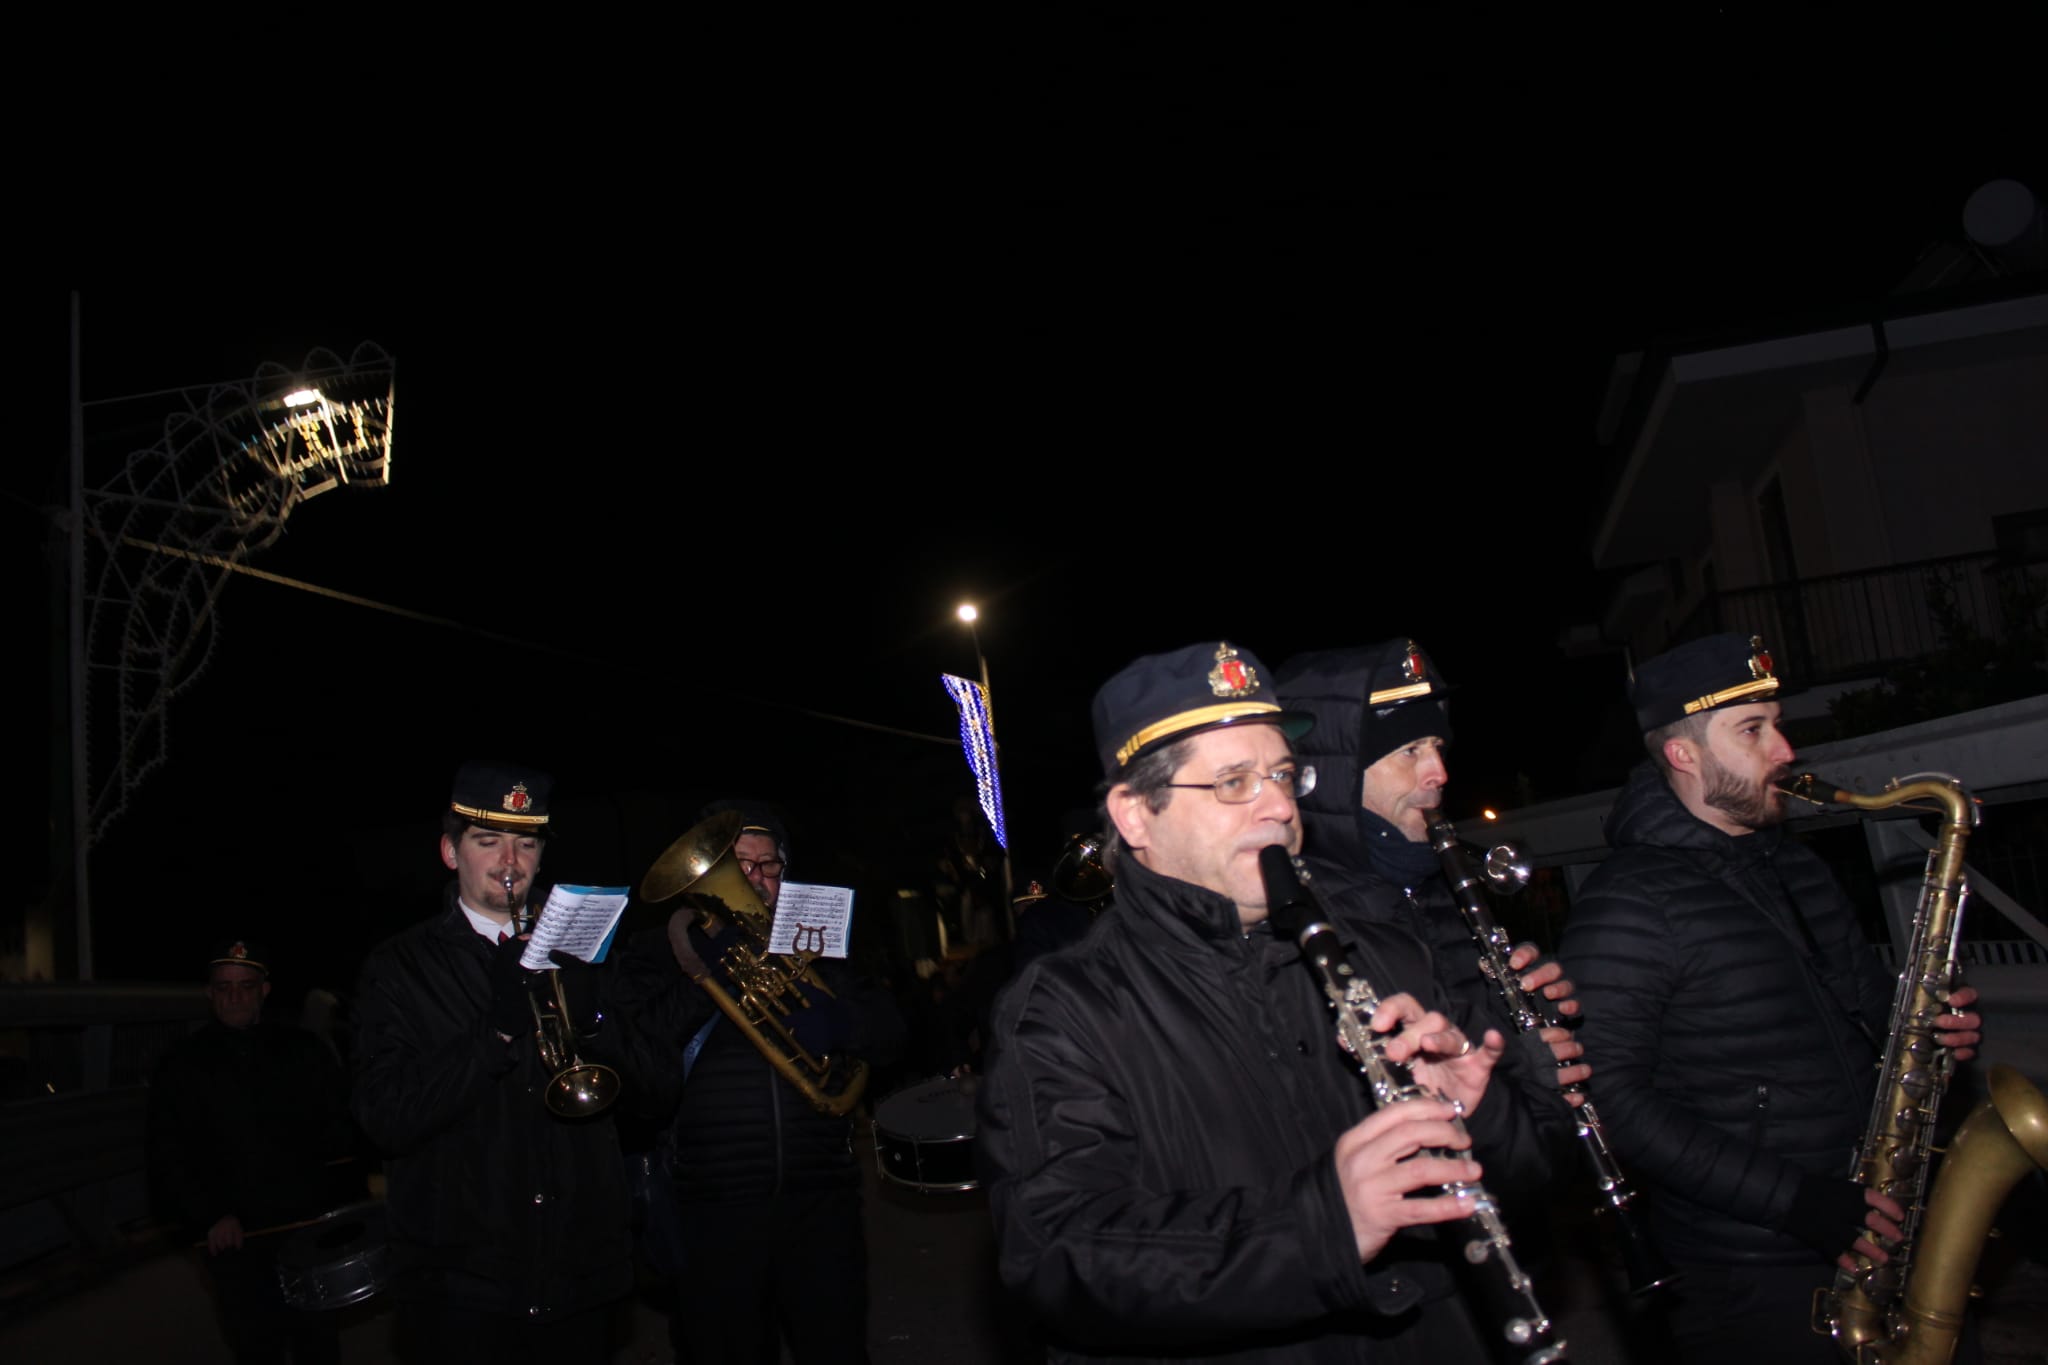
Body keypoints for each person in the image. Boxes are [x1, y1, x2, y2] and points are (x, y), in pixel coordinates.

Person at [979, 640, 1555, 1362]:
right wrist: (1322, 1229)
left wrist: (1486, 1117)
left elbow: (1533, 1183)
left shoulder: (1380, 940)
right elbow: (1058, 1255)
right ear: (1135, 815)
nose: (1281, 806)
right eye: (1233, 782)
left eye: (1283, 774)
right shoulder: (1063, 1010)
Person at [1559, 633, 1984, 1362]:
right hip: (1753, 1274)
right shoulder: (1628, 902)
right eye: (1752, 730)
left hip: (1885, 1229)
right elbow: (1608, 1099)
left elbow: (1872, 1019)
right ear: (1683, 755)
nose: (1785, 750)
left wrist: (1934, 1031)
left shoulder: (1800, 869)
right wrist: (1797, 1201)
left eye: (1777, 724)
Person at [352, 761, 632, 1365]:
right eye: (488, 841)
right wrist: (499, 1030)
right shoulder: (398, 967)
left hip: (580, 1279)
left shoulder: (586, 952)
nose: (510, 861)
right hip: (461, 1291)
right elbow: (386, 1118)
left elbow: (651, 1096)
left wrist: (596, 1023)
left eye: (526, 843)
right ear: (450, 852)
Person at [615, 798, 906, 1365]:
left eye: (767, 865)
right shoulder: (660, 952)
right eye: (738, 865)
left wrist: (842, 1023)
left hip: (821, 1199)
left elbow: (892, 1034)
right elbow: (639, 1057)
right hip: (711, 1209)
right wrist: (705, 972)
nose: (753, 879)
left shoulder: (819, 944)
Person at [147, 938, 357, 1365]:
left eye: (245, 986)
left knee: (318, 1342)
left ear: (264, 990)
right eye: (224, 987)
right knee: (255, 1343)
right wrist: (208, 1217)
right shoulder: (181, 1065)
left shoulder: (304, 1051)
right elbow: (167, 1153)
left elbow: (339, 1132)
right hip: (234, 1236)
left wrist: (341, 1212)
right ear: (210, 993)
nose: (235, 997)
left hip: (304, 1229)